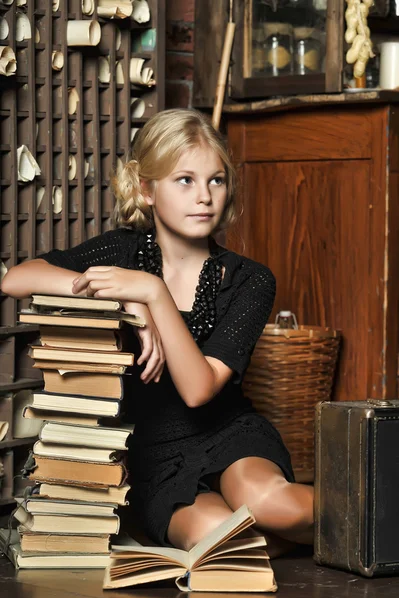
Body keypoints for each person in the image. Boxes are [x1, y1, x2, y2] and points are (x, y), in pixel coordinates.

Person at [1, 109, 313, 556]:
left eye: (216, 180)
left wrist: (150, 293)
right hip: (153, 454)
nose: (204, 196)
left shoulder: (248, 279)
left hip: (229, 431)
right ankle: (285, 544)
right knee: (222, 537)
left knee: (273, 505)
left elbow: (198, 390)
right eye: (184, 180)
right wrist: (117, 297)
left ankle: (374, 521)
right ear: (146, 189)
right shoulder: (121, 251)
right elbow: (16, 278)